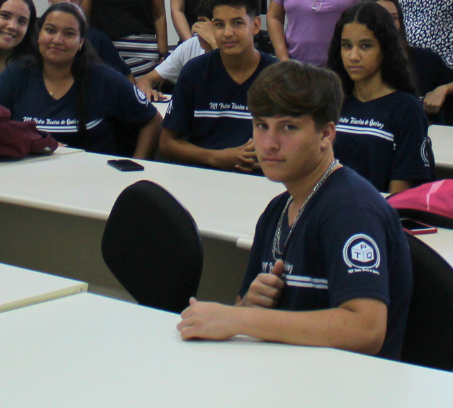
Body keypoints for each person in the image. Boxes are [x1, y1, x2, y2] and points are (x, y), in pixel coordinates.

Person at [176, 61, 412, 359]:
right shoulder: (279, 208)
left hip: (349, 393)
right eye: (261, 125)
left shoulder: (351, 210)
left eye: (288, 127)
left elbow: (366, 329)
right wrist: (248, 305)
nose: (270, 144)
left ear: (326, 135)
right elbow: (241, 312)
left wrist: (242, 319)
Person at [0, 2, 161, 158]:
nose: (57, 40)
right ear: (39, 35)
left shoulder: (105, 79)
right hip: (27, 180)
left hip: (93, 183)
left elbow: (152, 121)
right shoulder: (17, 74)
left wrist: (137, 166)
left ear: (81, 41)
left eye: (69, 34)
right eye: (50, 30)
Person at [160, 0, 277, 172]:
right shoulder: (194, 71)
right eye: (219, 25)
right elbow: (167, 143)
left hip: (260, 181)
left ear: (255, 26)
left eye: (237, 23)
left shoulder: (277, 76)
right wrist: (214, 158)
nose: (227, 33)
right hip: (203, 178)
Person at [329, 2, 432, 194]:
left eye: (365, 46)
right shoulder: (331, 102)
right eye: (346, 46)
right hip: (328, 211)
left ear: (384, 50)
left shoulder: (407, 109)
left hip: (377, 215)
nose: (353, 56)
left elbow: (400, 193)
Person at [365, 0, 452, 116]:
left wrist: (444, 89)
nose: (389, 23)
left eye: (394, 18)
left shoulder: (423, 58)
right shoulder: (355, 60)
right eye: (381, 17)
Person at [44, 0, 132, 78]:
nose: (68, 2)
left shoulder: (97, 38)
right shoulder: (34, 31)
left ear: (81, 1)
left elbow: (128, 80)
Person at [136, 0, 217, 102]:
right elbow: (146, 79)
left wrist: (214, 42)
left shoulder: (236, 52)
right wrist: (145, 89)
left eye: (207, 27)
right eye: (199, 23)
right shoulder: (190, 46)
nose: (201, 32)